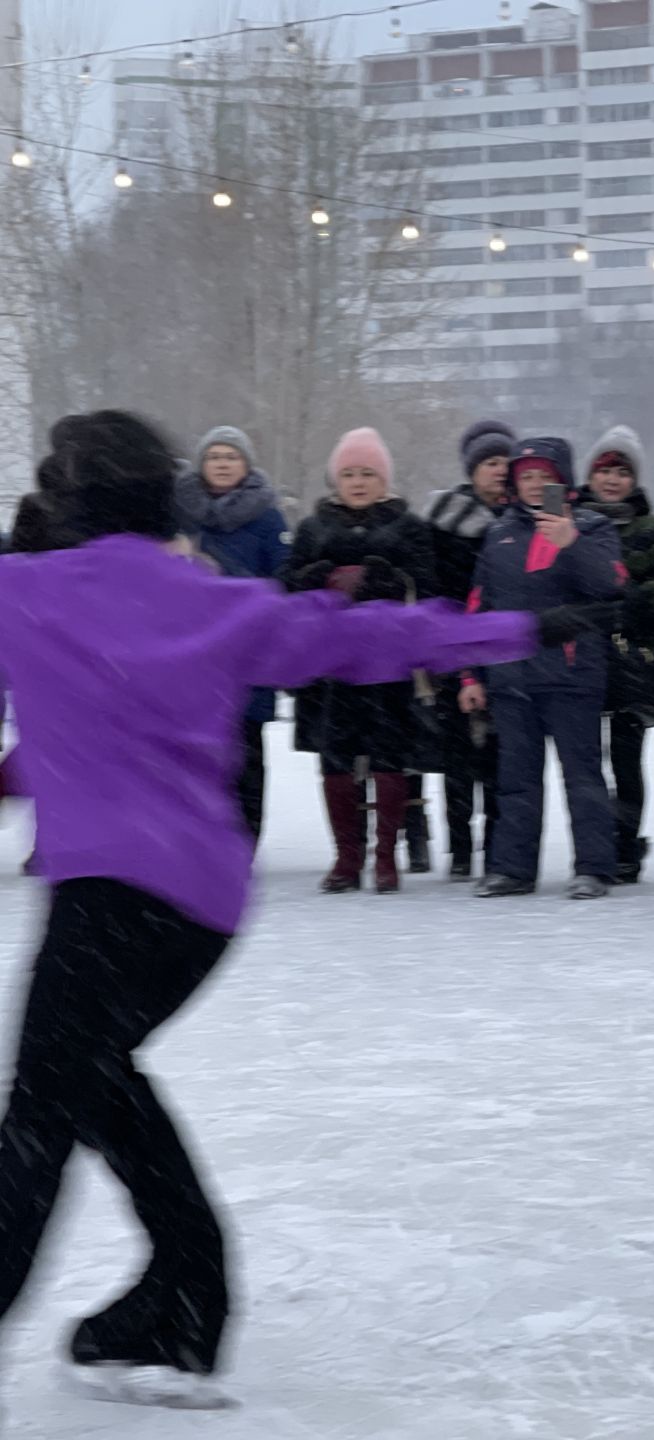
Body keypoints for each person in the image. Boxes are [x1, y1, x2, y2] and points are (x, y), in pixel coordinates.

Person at [0, 410, 540, 1407]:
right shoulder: (210, 599)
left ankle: (187, 1290)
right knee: (94, 1085)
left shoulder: (23, 594)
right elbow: (352, 635)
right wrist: (511, 625)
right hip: (201, 906)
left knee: (39, 1119)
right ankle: (182, 1297)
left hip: (105, 904)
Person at [465, 437, 625, 899]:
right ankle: (512, 869)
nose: (535, 485)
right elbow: (480, 606)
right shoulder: (500, 533)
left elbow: (611, 586)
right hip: (511, 677)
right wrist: (472, 674)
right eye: (527, 476)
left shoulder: (592, 527)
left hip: (572, 676)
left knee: (583, 777)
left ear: (564, 481)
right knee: (515, 779)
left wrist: (569, 542)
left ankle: (594, 868)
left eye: (545, 477)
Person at [281, 428, 435, 894]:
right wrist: (312, 579)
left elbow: (428, 587)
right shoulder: (314, 527)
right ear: (335, 478)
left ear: (384, 477)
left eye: (368, 473)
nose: (358, 481)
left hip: (388, 661)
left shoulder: (408, 527)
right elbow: (285, 587)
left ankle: (386, 857)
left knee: (390, 755)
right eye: (348, 473)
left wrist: (388, 583)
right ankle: (347, 858)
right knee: (335, 758)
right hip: (332, 663)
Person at [172, 425, 290, 846]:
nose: (222, 464)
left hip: (245, 651)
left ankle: (246, 837)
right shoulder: (178, 514)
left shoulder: (267, 515)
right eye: (215, 456)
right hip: (190, 652)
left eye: (231, 456)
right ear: (202, 464)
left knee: (246, 751)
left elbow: (283, 578)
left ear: (246, 464)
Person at [578, 425, 654, 884]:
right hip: (584, 656)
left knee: (626, 758)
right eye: (605, 471)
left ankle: (625, 843)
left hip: (635, 659)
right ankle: (595, 843)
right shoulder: (571, 522)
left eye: (621, 472)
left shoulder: (651, 529)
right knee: (584, 762)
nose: (613, 480)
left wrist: (636, 602)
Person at [421, 419, 516, 877]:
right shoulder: (445, 517)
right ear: (472, 469)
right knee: (457, 758)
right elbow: (430, 587)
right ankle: (460, 848)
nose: (499, 471)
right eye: (490, 463)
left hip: (508, 651)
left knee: (502, 758)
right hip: (455, 648)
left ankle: (499, 845)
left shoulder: (526, 517)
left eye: (505, 462)